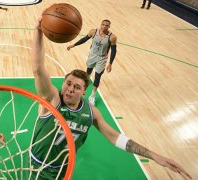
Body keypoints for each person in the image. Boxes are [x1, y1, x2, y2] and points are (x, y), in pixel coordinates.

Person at [30, 15, 192, 179]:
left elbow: (116, 138)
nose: (70, 89)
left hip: (64, 168)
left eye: (76, 87)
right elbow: (38, 69)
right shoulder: (52, 100)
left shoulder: (90, 112)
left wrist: (157, 157)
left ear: (84, 92)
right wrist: (38, 31)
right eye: (68, 83)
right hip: (38, 167)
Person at [67, 19, 117, 105]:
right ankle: (84, 89)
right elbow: (84, 39)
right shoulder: (93, 32)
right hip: (92, 56)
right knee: (88, 74)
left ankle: (92, 96)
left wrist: (110, 63)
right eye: (103, 24)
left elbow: (113, 51)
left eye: (107, 25)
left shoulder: (112, 37)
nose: (104, 26)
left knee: (97, 77)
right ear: (101, 24)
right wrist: (74, 45)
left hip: (102, 59)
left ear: (109, 27)